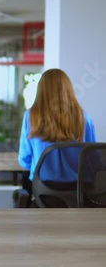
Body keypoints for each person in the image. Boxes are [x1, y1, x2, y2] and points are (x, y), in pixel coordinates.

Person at [18, 68, 96, 206]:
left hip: (45, 194)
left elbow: (24, 161)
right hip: (80, 196)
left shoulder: (31, 117)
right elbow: (95, 161)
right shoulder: (84, 118)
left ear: (41, 91)